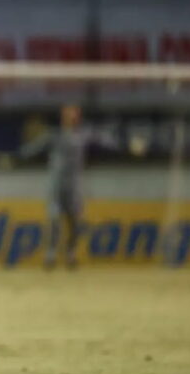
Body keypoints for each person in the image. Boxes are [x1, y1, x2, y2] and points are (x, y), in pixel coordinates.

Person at [18, 104, 117, 269]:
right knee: (54, 220)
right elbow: (32, 149)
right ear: (63, 116)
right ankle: (50, 255)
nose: (71, 117)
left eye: (74, 114)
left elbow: (104, 140)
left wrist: (123, 144)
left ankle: (71, 254)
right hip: (56, 184)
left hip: (75, 185)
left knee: (74, 222)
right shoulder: (54, 135)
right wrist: (14, 156)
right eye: (68, 114)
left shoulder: (84, 134)